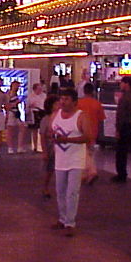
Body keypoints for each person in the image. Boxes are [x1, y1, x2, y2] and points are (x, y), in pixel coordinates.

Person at [49, 88, 91, 237]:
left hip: (75, 160)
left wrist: (66, 139)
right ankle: (62, 218)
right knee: (60, 190)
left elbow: (87, 137)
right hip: (60, 159)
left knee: (72, 192)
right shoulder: (55, 115)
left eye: (66, 99)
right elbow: (51, 132)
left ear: (74, 102)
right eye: (61, 99)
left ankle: (70, 222)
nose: (62, 102)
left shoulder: (81, 116)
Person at [77, 83, 105, 185]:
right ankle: (86, 174)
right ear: (93, 91)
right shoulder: (97, 104)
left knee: (83, 153)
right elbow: (101, 119)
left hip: (81, 131)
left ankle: (90, 172)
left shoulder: (79, 103)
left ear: (84, 91)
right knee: (89, 152)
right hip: (93, 131)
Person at [40, 94, 59, 199]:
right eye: (56, 104)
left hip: (60, 148)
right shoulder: (46, 119)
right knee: (49, 170)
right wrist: (44, 151)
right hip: (51, 147)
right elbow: (42, 135)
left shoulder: (62, 117)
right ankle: (45, 187)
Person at [6, 80, 27, 153]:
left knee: (22, 128)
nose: (17, 87)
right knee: (10, 131)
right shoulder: (8, 94)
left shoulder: (15, 94)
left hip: (17, 113)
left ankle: (20, 146)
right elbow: (7, 105)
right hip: (11, 113)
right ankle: (10, 147)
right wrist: (15, 103)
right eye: (16, 86)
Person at [27, 83, 47, 152]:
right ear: (35, 89)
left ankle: (42, 146)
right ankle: (35, 146)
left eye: (40, 89)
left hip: (42, 112)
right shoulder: (31, 96)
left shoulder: (44, 95)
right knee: (34, 130)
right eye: (38, 89)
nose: (40, 90)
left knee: (43, 130)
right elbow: (28, 105)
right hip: (34, 112)